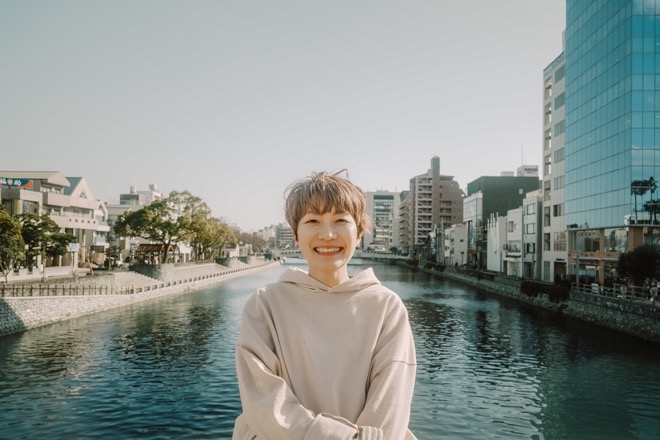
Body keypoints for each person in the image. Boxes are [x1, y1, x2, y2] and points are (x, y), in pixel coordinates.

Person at [233, 171, 417, 439]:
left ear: (359, 233)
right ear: (296, 235)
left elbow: (390, 406)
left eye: (340, 220)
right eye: (313, 221)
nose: (328, 234)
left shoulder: (386, 308)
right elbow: (262, 400)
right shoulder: (265, 305)